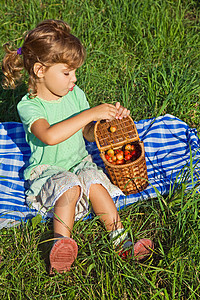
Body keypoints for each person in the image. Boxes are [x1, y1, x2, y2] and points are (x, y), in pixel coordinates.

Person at [2, 19, 154, 274]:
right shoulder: (29, 106)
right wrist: (89, 114)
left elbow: (86, 132)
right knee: (69, 187)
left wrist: (106, 124)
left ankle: (122, 241)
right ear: (40, 71)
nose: (73, 79)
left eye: (75, 72)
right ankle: (59, 246)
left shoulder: (75, 93)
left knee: (95, 182)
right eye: (66, 72)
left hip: (80, 161)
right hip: (48, 170)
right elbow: (49, 136)